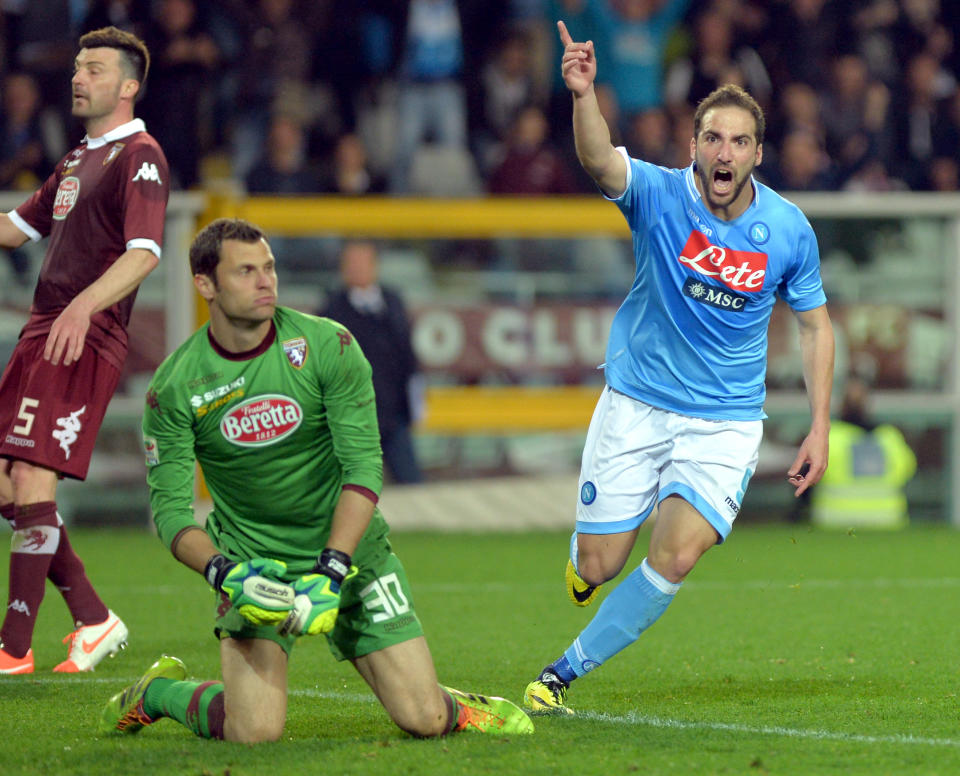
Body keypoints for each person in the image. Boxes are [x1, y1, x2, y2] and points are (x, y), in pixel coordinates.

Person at [98, 218, 532, 742]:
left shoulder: (328, 345)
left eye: (270, 268)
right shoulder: (174, 386)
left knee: (425, 720)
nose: (265, 282)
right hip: (256, 565)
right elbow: (170, 515)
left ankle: (456, 707)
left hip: (349, 556)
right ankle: (157, 694)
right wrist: (225, 574)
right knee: (253, 732)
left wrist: (332, 570)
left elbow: (364, 468)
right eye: (246, 271)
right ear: (205, 284)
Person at [522, 22, 835, 715]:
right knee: (599, 565)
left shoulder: (788, 230)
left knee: (678, 555)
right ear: (695, 145)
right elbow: (601, 160)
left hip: (724, 422)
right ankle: (583, 563)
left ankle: (560, 674)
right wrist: (581, 96)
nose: (725, 153)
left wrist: (818, 425)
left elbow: (814, 324)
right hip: (637, 401)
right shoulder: (659, 195)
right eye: (713, 139)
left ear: (758, 153)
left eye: (739, 141)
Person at [0, 26, 169, 675]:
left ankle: (13, 647)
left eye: (94, 68)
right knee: (7, 484)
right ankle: (94, 618)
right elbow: (16, 231)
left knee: (34, 477)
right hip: (43, 329)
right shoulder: (76, 159)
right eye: (76, 66)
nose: (78, 77)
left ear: (127, 85)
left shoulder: (140, 154)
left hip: (83, 332)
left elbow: (144, 252)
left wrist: (83, 306)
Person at [320, 240, 424, 484]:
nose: (356, 268)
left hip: (393, 412)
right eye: (350, 263)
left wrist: (414, 402)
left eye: (362, 262)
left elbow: (407, 354)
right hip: (353, 416)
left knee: (412, 482)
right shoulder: (331, 309)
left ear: (375, 265)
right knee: (353, 485)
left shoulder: (393, 301)